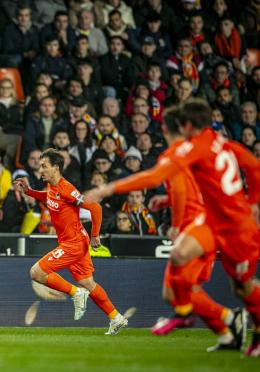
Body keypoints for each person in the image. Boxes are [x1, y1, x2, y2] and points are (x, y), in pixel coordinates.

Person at [84, 100, 260, 355]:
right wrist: (254, 202)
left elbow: (158, 178)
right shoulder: (221, 143)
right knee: (182, 282)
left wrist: (106, 189)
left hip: (234, 227)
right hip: (213, 222)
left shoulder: (187, 149)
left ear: (185, 126)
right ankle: (220, 326)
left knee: (240, 286)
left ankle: (225, 323)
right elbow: (249, 168)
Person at [14, 148, 128, 335]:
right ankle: (116, 317)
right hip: (74, 241)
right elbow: (48, 198)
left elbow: (95, 208)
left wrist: (95, 235)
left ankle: (76, 294)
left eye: (44, 166)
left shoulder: (67, 189)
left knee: (36, 272)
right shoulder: (52, 187)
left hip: (74, 243)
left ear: (56, 168)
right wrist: (29, 191)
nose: (40, 170)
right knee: (88, 282)